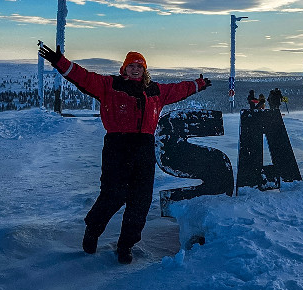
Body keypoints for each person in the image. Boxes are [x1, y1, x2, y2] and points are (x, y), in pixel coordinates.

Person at [38, 44, 211, 264]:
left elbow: (177, 89)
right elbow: (83, 77)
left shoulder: (155, 90)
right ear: (124, 68)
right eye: (131, 65)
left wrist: (198, 84)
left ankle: (125, 245)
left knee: (140, 200)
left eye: (139, 65)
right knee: (113, 194)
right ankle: (93, 231)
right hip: (117, 147)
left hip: (144, 148)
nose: (135, 69)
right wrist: (59, 61)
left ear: (145, 69)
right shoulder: (110, 85)